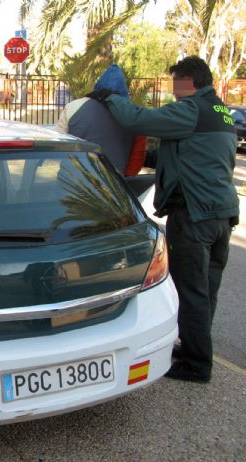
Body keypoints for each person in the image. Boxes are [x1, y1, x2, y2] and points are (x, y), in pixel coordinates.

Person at [89, 56, 239, 383]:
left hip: (194, 214)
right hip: (222, 214)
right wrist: (150, 159)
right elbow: (194, 155)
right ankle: (195, 350)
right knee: (206, 290)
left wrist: (111, 98)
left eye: (176, 85)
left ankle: (197, 365)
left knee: (190, 290)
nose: (173, 93)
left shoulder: (191, 109)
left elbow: (138, 120)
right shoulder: (220, 111)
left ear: (188, 82)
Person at [56, 64, 146, 176]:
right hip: (112, 187)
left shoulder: (73, 107)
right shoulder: (134, 115)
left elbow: (58, 144)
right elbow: (136, 161)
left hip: (72, 182)